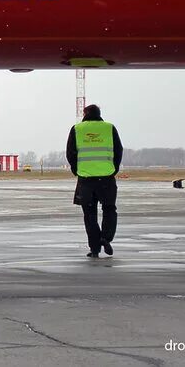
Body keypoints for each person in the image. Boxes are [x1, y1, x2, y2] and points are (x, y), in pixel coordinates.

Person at [66, 104, 123, 258]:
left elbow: (70, 152)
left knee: (89, 215)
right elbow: (118, 150)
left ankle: (95, 248)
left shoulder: (77, 129)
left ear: (85, 114)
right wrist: (114, 168)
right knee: (109, 209)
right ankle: (106, 237)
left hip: (86, 179)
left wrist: (76, 169)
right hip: (107, 178)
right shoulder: (109, 128)